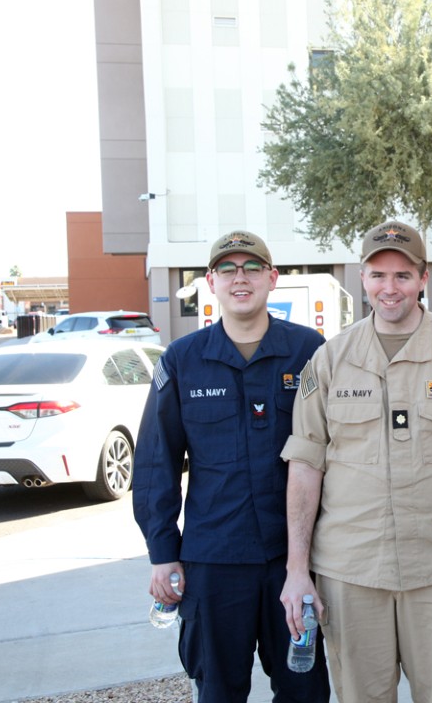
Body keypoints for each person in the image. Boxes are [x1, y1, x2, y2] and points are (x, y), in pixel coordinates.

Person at [279, 220, 432, 703]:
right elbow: (305, 465)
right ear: (362, 278)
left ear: (423, 278)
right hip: (352, 571)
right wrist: (296, 568)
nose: (389, 288)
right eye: (377, 275)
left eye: (402, 275)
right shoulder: (329, 360)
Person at [132, 230, 331, 703]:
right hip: (214, 562)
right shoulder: (183, 360)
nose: (240, 278)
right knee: (219, 691)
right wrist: (163, 551)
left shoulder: (310, 351)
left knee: (304, 690)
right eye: (227, 269)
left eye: (252, 268)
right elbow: (156, 463)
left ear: (272, 278)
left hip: (297, 560)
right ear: (211, 282)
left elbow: (338, 450)